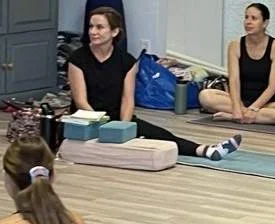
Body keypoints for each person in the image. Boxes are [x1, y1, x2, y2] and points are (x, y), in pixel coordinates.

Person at [67, 7, 242, 161]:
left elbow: (128, 100)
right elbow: (81, 101)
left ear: (114, 32)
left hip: (116, 119)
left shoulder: (126, 61)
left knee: (159, 134)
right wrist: (103, 126)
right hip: (87, 121)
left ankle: (206, 150)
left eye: (99, 27)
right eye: (91, 27)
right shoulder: (78, 59)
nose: (93, 32)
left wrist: (122, 128)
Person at [198, 4, 275, 125]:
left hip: (267, 103)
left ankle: (232, 117)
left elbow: (273, 86)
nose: (248, 22)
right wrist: (237, 107)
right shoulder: (235, 45)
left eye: (254, 18)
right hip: (240, 100)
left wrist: (254, 108)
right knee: (205, 96)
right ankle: (246, 115)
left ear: (265, 23)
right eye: (246, 17)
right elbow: (234, 80)